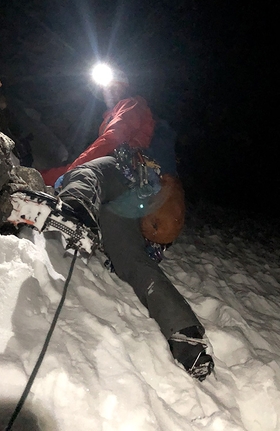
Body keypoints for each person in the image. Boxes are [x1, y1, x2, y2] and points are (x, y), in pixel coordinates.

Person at [39, 68, 214, 381]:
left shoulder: (131, 105)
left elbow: (111, 142)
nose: (109, 90)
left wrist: (53, 177)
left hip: (131, 174)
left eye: (114, 83)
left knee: (87, 174)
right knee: (131, 263)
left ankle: (73, 213)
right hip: (133, 200)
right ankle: (187, 337)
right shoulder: (122, 111)